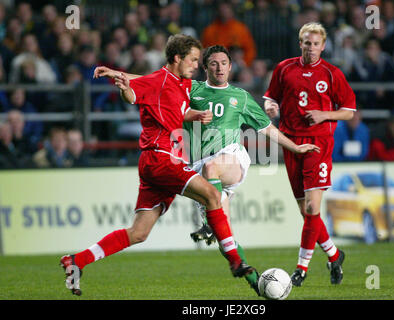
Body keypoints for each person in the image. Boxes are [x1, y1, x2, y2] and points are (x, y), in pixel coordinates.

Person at [60, 34, 255, 296]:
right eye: (193, 59)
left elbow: (176, 109)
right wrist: (122, 85)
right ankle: (235, 260)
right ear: (177, 58)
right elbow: (132, 93)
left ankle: (76, 260)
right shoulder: (158, 80)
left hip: (158, 164)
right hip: (160, 158)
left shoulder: (183, 84)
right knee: (212, 194)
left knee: (139, 232)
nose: (197, 65)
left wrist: (194, 114)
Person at [183, 45, 320, 295]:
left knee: (212, 167)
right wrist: (126, 78)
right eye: (214, 63)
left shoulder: (241, 97)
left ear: (231, 66)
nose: (220, 67)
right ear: (205, 68)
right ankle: (257, 283)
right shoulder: (192, 89)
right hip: (201, 169)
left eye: (224, 63)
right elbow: (157, 85)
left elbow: (268, 129)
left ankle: (206, 224)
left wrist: (295, 148)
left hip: (231, 160)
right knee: (227, 242)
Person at [263, 22, 356, 287]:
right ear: (300, 43)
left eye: (316, 44)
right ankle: (335, 255)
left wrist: (324, 114)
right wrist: (271, 107)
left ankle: (301, 269)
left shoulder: (331, 73)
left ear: (323, 46)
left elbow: (348, 111)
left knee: (314, 207)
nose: (311, 48)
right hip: (291, 144)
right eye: (307, 43)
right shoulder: (284, 69)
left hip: (319, 144)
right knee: (307, 212)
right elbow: (271, 98)